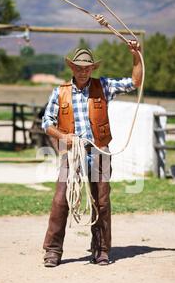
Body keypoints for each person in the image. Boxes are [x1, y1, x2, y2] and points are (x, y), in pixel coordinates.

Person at [42, 40, 142, 267]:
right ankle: (53, 251)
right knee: (61, 201)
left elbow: (135, 82)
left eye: (87, 67)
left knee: (102, 201)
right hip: (72, 153)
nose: (83, 70)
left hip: (99, 152)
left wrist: (136, 56)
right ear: (72, 68)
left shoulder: (104, 86)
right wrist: (63, 137)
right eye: (79, 67)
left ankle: (101, 250)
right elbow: (46, 122)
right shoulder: (59, 92)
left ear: (92, 69)